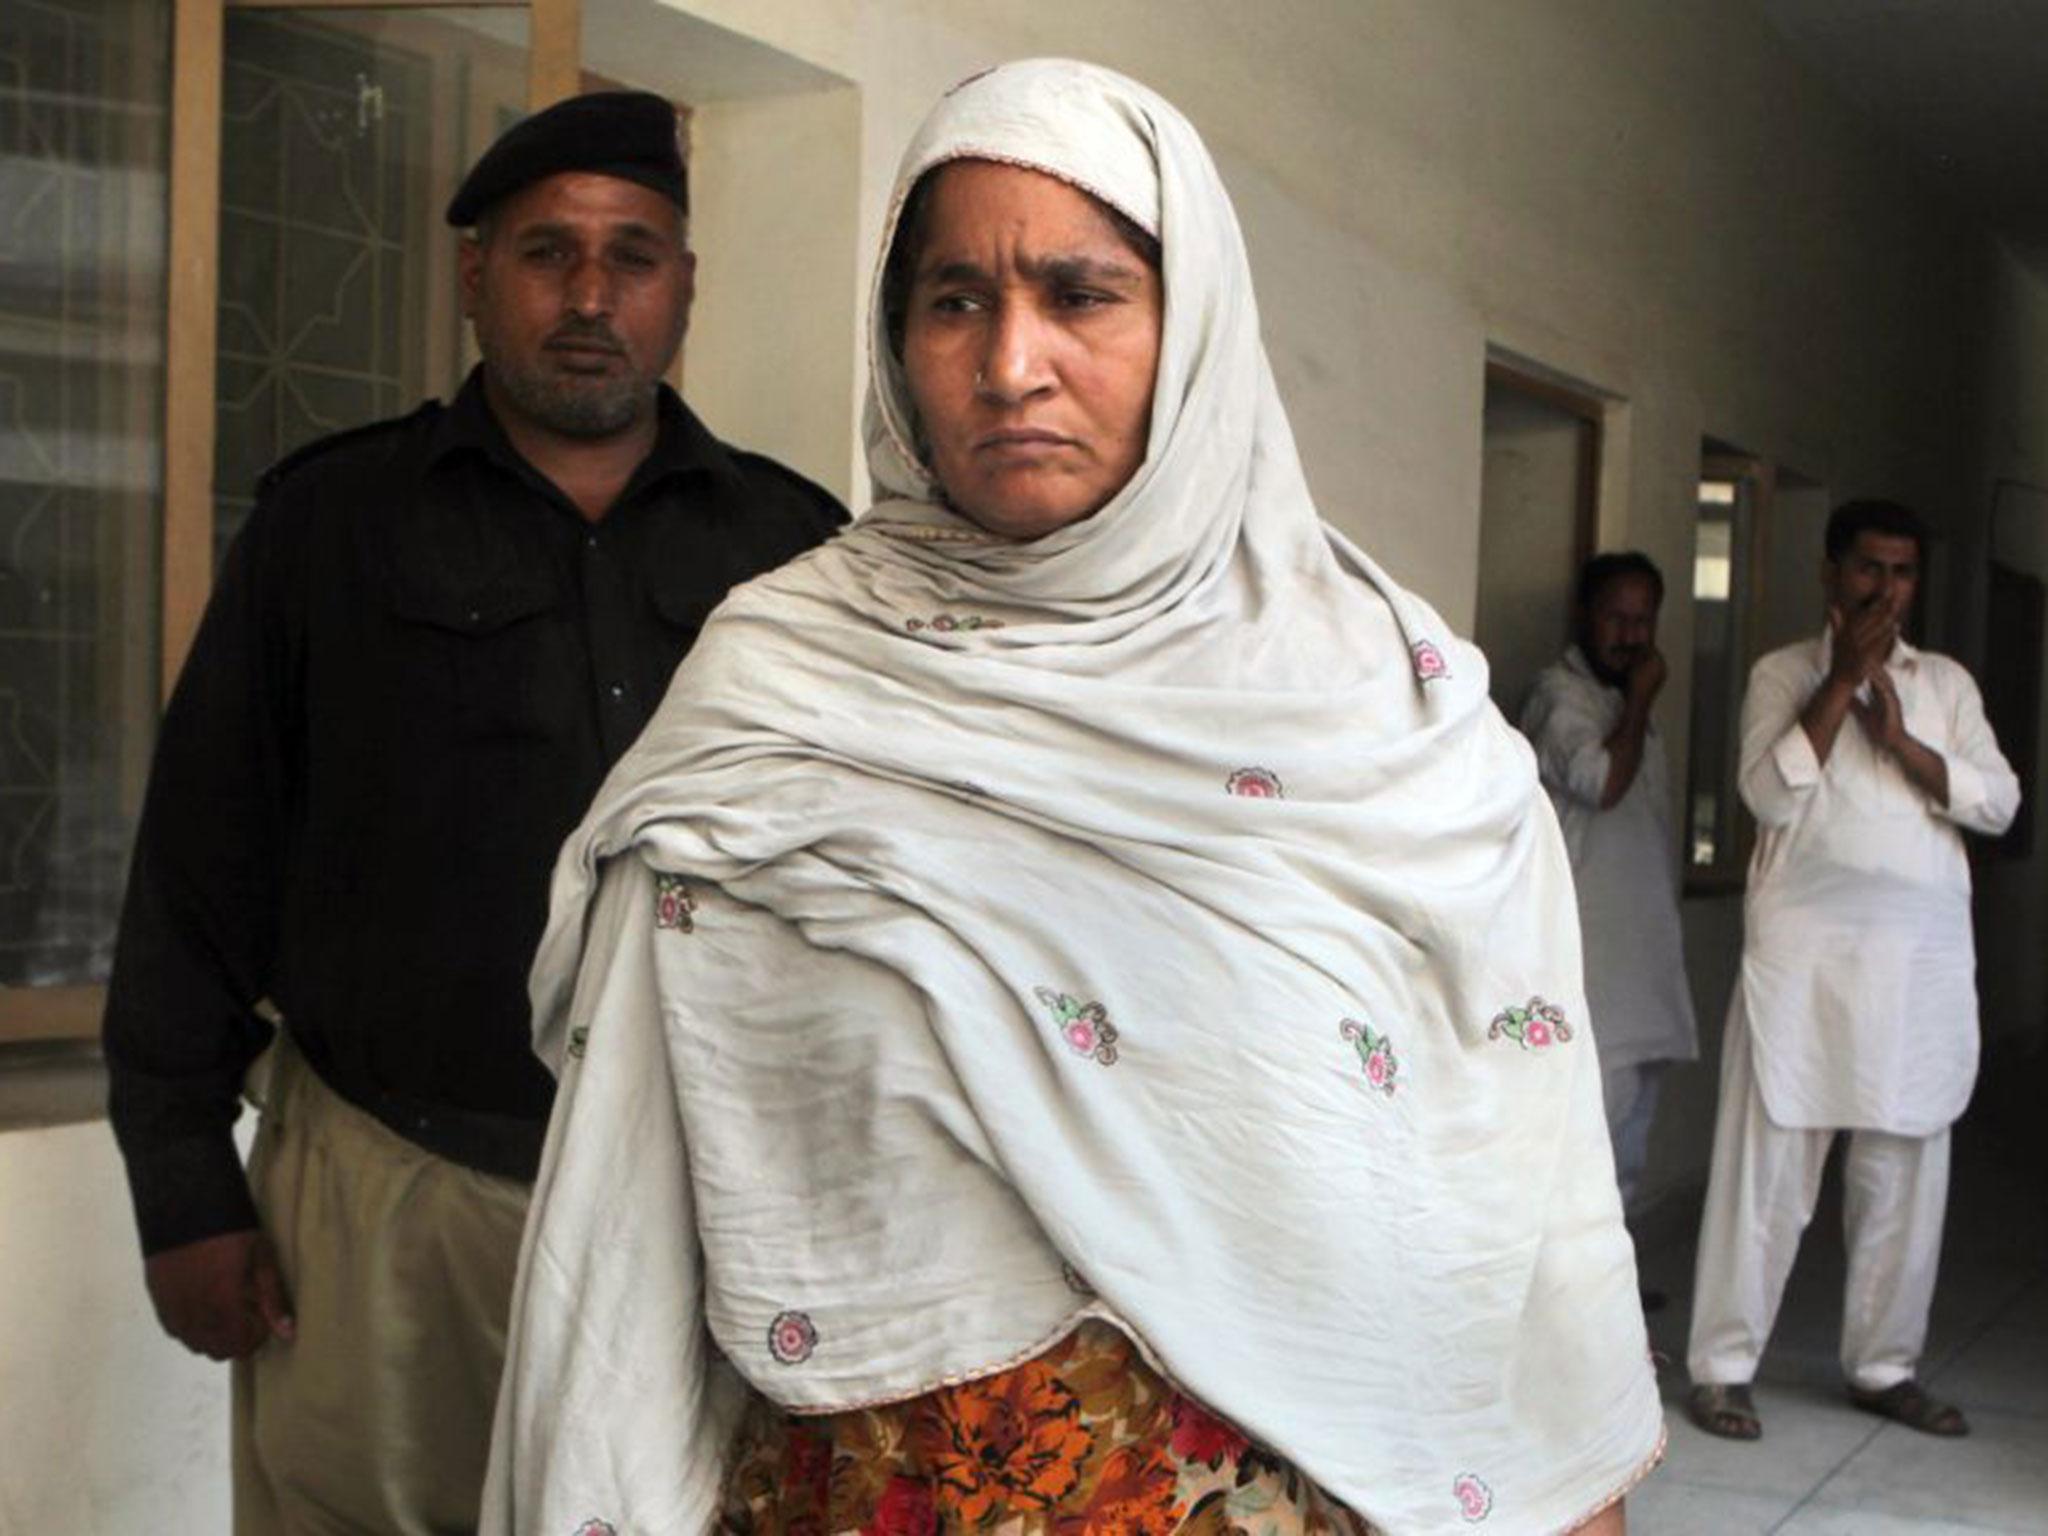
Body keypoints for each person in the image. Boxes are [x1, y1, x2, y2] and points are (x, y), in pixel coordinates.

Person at [484, 60, 1662, 1536]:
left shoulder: (1389, 708)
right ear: (897, 337)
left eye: (1083, 293)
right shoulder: (782, 684)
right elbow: (628, 1221)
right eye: (956, 299)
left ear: (1192, 329)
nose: (1011, 364)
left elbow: (1515, 1169)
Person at [102, 90, 845, 1534]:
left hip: (703, 1201)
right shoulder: (331, 527)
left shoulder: (791, 549)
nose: (590, 296)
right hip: (391, 1187)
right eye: (545, 252)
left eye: (634, 255)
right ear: (472, 278)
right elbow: (203, 855)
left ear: (684, 286)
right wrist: (181, 1182)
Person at [1686, 499, 2018, 1443]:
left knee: (1902, 1178)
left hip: (1916, 973)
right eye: (1869, 569)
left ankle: (1884, 1368)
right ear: (1832, 574)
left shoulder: (1947, 685)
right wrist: (1839, 686)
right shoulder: (1778, 673)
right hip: (1803, 971)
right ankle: (1722, 1368)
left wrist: (1904, 742)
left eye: (1903, 573)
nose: (1887, 589)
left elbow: (1997, 802)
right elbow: (1765, 793)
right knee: (1767, 1178)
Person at [1520, 553, 1697, 1228]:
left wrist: (1638, 701)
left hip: (1644, 967)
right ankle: (1574, 1312)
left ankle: (1615, 1308)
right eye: (1617, 619)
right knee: (1582, 1152)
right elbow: (1602, 783)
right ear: (1584, 617)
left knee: (1627, 1149)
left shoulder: (1629, 706)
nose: (1631, 635)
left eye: (1643, 621)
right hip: (1590, 969)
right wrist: (1645, 696)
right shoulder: (1558, 696)